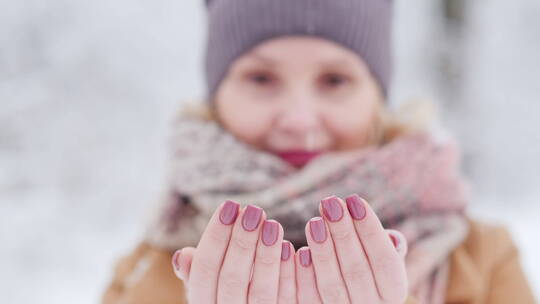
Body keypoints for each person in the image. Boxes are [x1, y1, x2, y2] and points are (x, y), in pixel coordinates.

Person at [101, 0, 536, 303]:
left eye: (334, 80)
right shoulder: (152, 263)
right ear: (217, 96)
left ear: (377, 100)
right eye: (260, 79)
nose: (299, 119)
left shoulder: (483, 258)